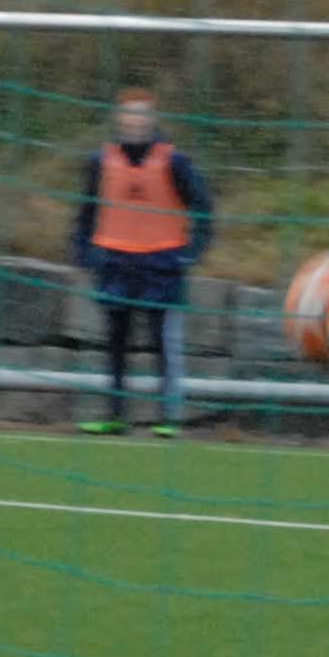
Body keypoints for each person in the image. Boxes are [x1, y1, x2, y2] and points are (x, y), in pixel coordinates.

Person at [66, 86, 212, 436]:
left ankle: (169, 418)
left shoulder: (174, 161)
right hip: (115, 262)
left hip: (162, 265)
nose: (136, 121)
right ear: (120, 119)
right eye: (130, 114)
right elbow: (86, 211)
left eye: (142, 114)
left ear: (152, 119)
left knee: (164, 342)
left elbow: (204, 207)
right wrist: (83, 252)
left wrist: (192, 251)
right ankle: (115, 414)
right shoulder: (101, 161)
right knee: (115, 343)